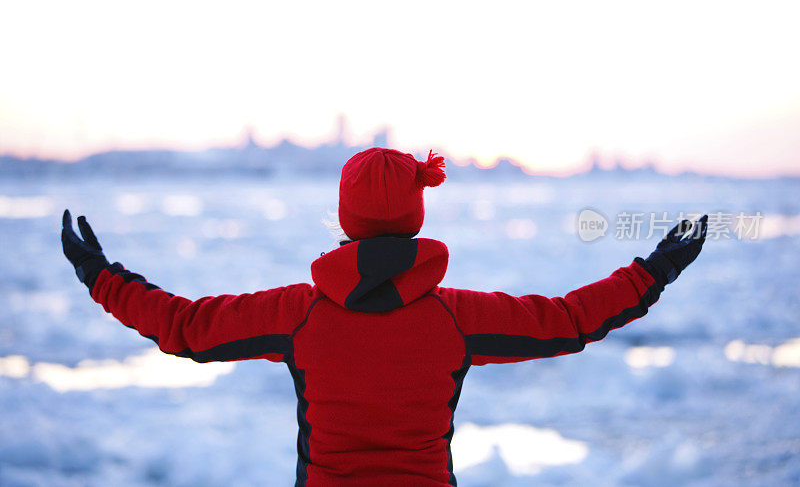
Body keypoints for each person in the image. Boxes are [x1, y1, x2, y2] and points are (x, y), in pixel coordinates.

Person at [61, 147, 708, 486]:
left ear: (346, 217)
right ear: (416, 218)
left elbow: (185, 326)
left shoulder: (298, 314)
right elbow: (568, 320)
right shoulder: (454, 319)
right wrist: (653, 270)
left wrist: (100, 275)